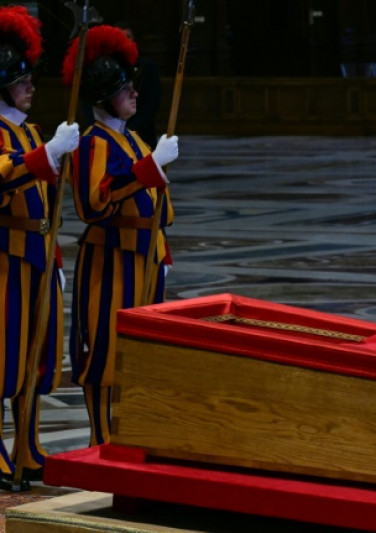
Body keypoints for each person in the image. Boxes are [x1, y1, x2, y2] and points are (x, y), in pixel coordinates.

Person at [64, 25, 180, 445]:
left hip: (144, 257)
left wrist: (163, 254)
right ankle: (101, 437)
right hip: (111, 261)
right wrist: (151, 168)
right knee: (106, 348)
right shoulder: (93, 143)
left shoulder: (131, 140)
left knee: (142, 350)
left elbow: (155, 204)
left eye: (133, 87)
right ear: (104, 97)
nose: (134, 93)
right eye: (124, 89)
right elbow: (95, 203)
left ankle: (132, 432)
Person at [0, 5, 79, 481]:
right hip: (4, 257)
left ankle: (27, 443)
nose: (32, 86)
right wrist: (44, 154)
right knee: (3, 353)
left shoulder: (25, 130)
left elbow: (48, 203)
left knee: (37, 354)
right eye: (23, 79)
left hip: (36, 253)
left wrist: (55, 253)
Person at [116, 21, 161, 148]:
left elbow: (151, 103)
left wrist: (130, 130)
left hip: (141, 134)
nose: (125, 41)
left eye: (128, 37)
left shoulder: (147, 67)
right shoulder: (106, 66)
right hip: (112, 132)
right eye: (120, 38)